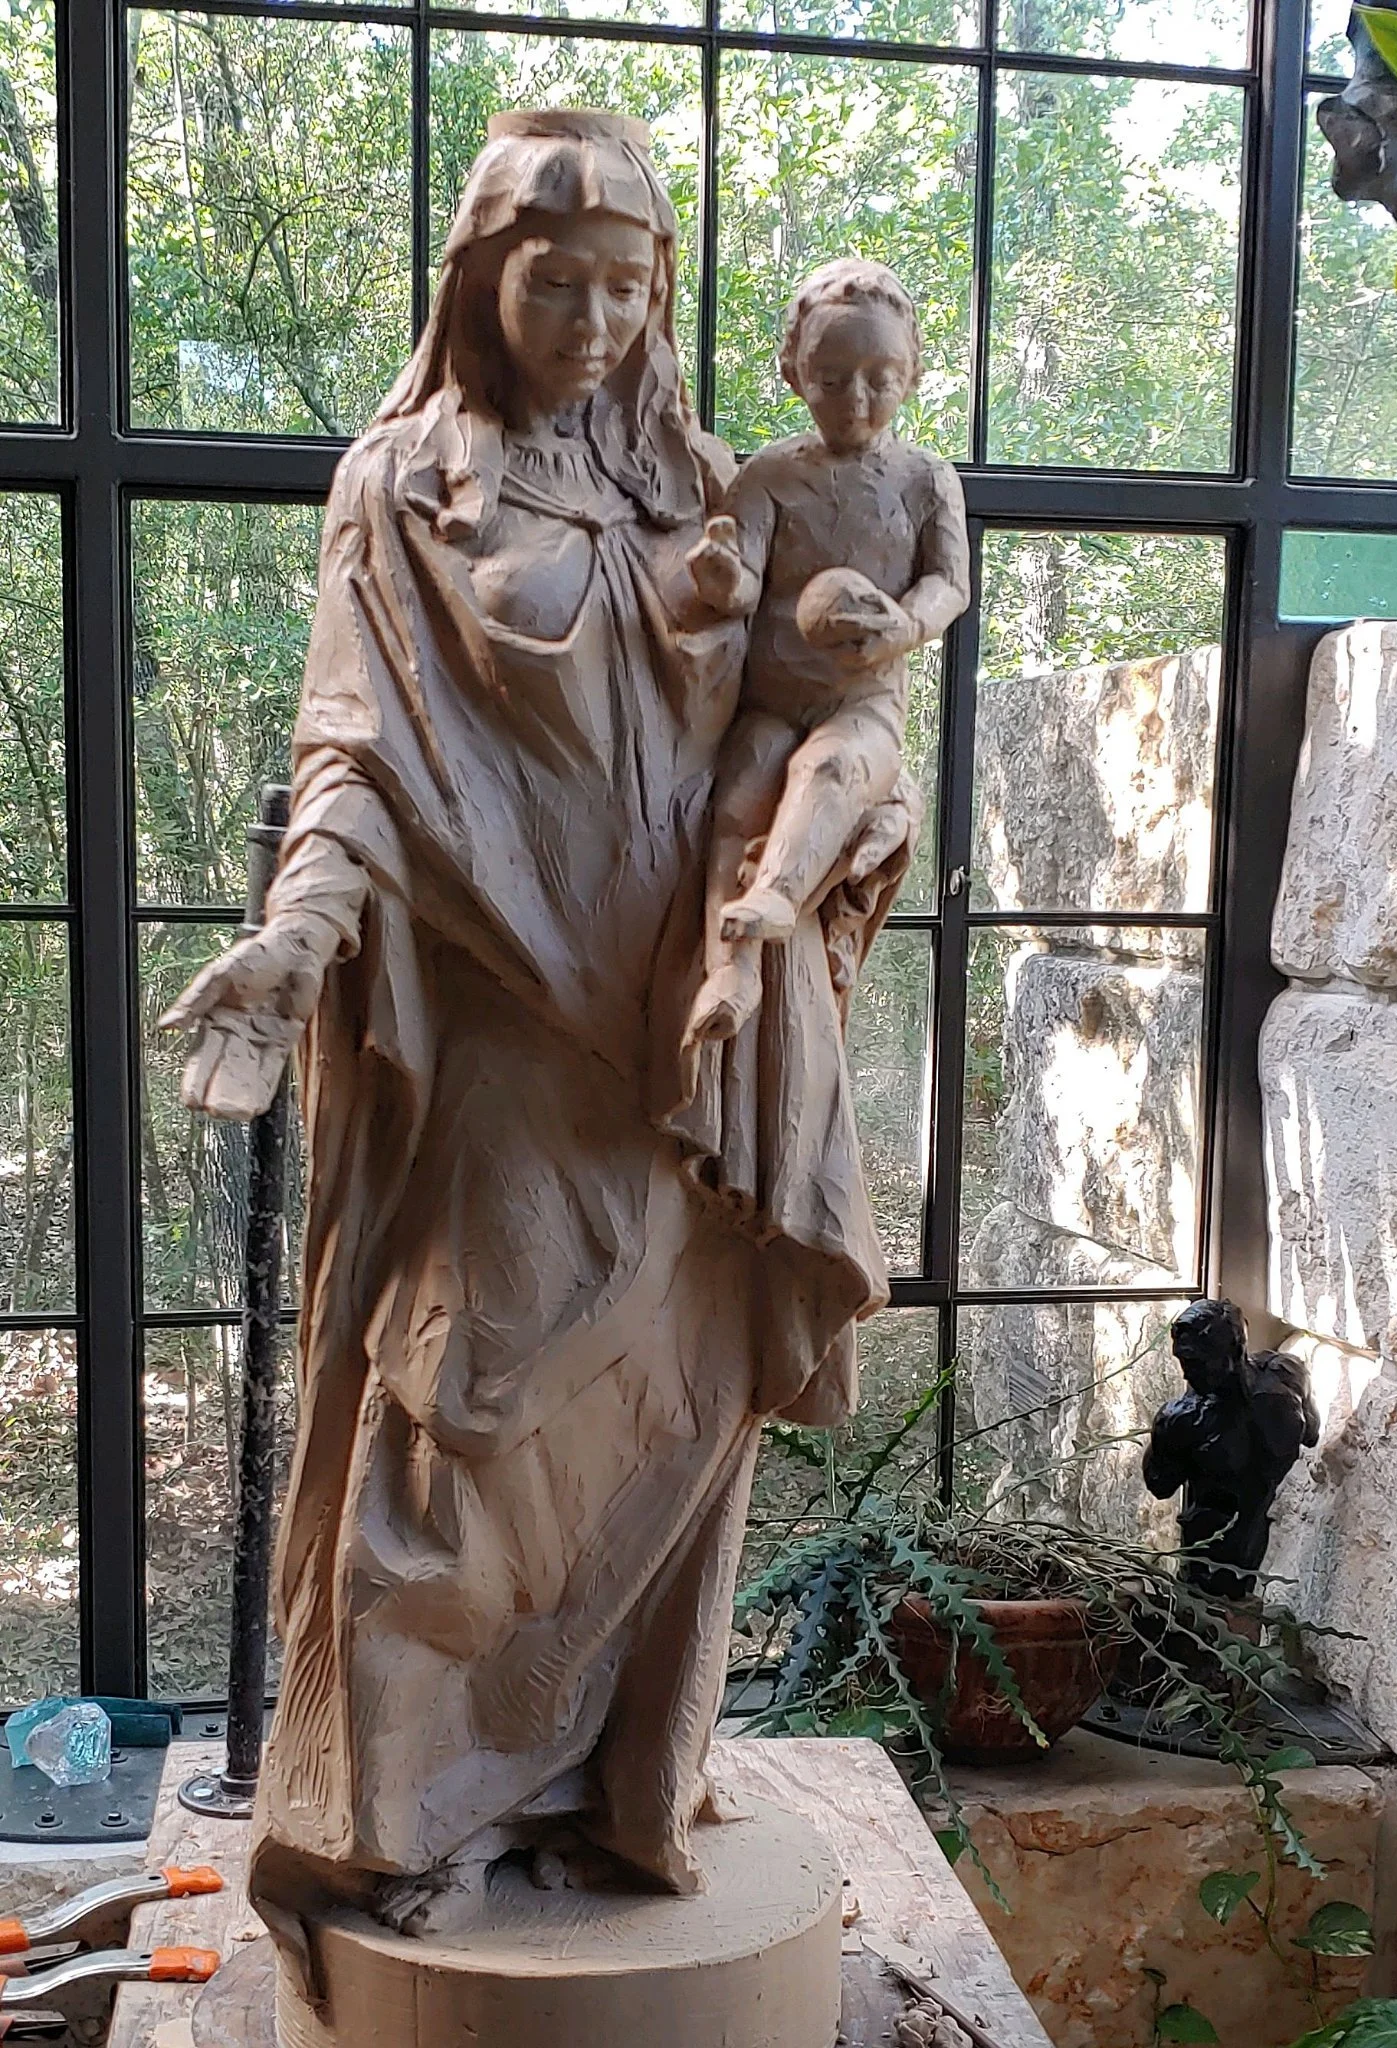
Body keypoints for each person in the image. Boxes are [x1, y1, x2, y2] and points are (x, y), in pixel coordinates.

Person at [160, 112, 910, 1995]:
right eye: (553, 279)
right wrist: (299, 933)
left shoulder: (705, 491)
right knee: (464, 1410)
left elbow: (803, 709)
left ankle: (612, 1786)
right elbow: (354, 752)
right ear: (481, 279)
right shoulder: (402, 488)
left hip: (684, 1042)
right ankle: (399, 1811)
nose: (592, 319)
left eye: (628, 286)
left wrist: (843, 813)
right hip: (506, 1026)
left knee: (660, 1418)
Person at [679, 258, 969, 1047]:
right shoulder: (771, 475)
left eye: (880, 378)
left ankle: (777, 894)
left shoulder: (924, 479)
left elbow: (948, 584)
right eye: (832, 380)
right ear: (793, 374)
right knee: (740, 794)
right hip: (772, 701)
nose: (856, 399)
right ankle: (730, 971)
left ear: (912, 374)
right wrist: (720, 575)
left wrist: (904, 626)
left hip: (862, 704)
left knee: (831, 769)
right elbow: (742, 584)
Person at [1143, 1298, 1320, 1599]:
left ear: (1233, 1350)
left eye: (1196, 1362)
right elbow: (1311, 1433)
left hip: (1224, 1554)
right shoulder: (1287, 1374)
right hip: (1231, 1550)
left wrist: (1169, 1434)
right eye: (1183, 1361)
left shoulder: (1186, 1420)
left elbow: (1160, 1483)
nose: (1186, 1374)